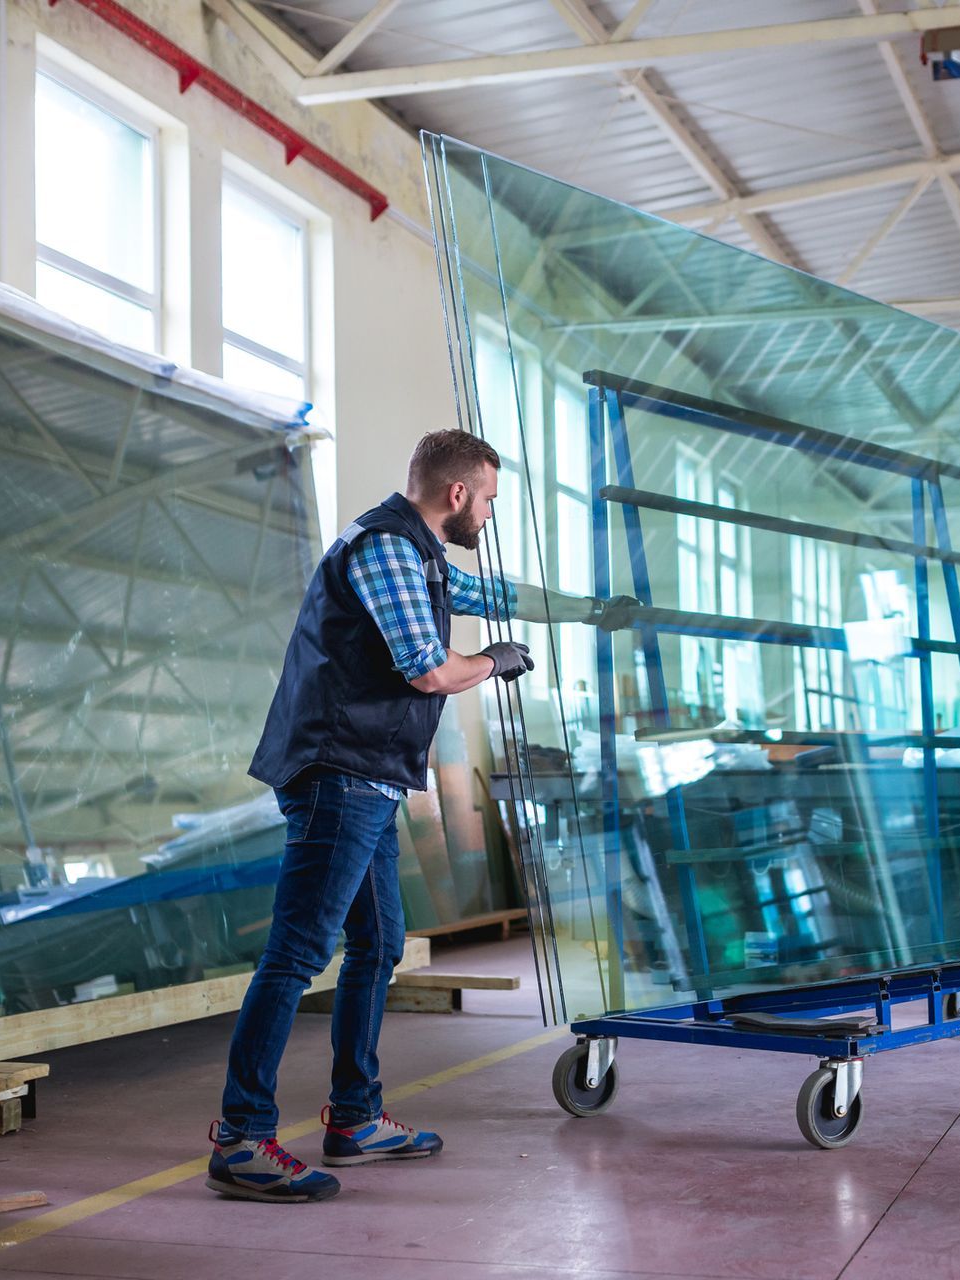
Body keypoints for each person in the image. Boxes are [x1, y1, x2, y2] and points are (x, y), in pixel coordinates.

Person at [209, 428, 633, 1203]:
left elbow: (493, 596)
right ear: (458, 493)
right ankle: (241, 1138)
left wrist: (588, 611)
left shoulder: (423, 557)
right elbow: (429, 669)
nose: (492, 519)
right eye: (492, 502)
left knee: (376, 948)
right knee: (298, 953)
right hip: (337, 774)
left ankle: (355, 1119)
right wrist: (495, 661)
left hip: (364, 778)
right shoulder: (388, 550)